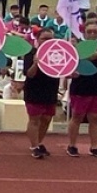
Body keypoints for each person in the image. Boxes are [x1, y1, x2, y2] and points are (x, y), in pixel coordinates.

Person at [66, 18, 97, 159]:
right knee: (77, 116)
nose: (92, 34)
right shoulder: (80, 47)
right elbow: (87, 58)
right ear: (84, 33)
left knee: (95, 118)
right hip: (80, 88)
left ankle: (94, 147)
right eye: (89, 31)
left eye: (95, 32)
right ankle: (72, 145)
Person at [21, 28, 60, 158]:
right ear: (37, 40)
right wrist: (36, 63)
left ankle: (39, 142)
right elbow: (29, 74)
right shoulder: (30, 53)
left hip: (51, 89)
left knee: (47, 118)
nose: (48, 42)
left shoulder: (58, 53)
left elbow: (64, 70)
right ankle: (34, 146)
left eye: (51, 39)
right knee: (34, 119)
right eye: (45, 39)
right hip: (34, 89)